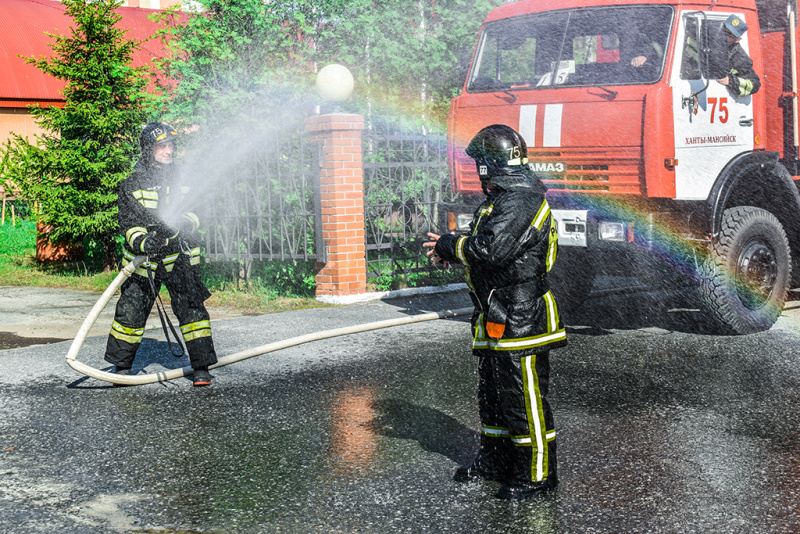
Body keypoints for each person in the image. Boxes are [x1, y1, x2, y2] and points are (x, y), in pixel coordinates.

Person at [424, 124, 567, 500]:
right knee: (493, 395)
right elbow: (486, 253)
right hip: (496, 314)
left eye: (479, 164)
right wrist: (451, 252)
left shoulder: (520, 201)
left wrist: (449, 243)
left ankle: (536, 475)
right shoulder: (502, 200)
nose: (477, 171)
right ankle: (496, 460)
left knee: (523, 398)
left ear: (490, 165)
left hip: (522, 317)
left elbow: (492, 250)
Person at [104, 122, 218, 387]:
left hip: (181, 258)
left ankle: (201, 367)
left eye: (171, 146)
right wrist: (143, 242)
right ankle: (121, 368)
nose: (168, 151)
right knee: (130, 313)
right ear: (148, 149)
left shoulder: (185, 179)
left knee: (192, 312)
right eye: (161, 146)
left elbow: (199, 213)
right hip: (145, 262)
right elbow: (128, 223)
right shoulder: (132, 183)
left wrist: (182, 225)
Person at [717, 14, 760, 97]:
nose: (725, 36)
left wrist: (731, 81)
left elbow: (755, 85)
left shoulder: (741, 59)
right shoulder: (707, 41)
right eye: (724, 31)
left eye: (730, 34)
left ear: (737, 40)